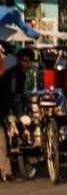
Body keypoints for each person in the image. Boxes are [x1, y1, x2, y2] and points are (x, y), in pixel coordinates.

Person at [0, 49, 34, 180]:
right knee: (1, 141)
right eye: (24, 61)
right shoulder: (15, 75)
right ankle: (6, 172)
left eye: (29, 61)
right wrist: (20, 115)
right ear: (19, 61)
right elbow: (15, 96)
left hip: (3, 108)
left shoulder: (20, 74)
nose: (26, 64)